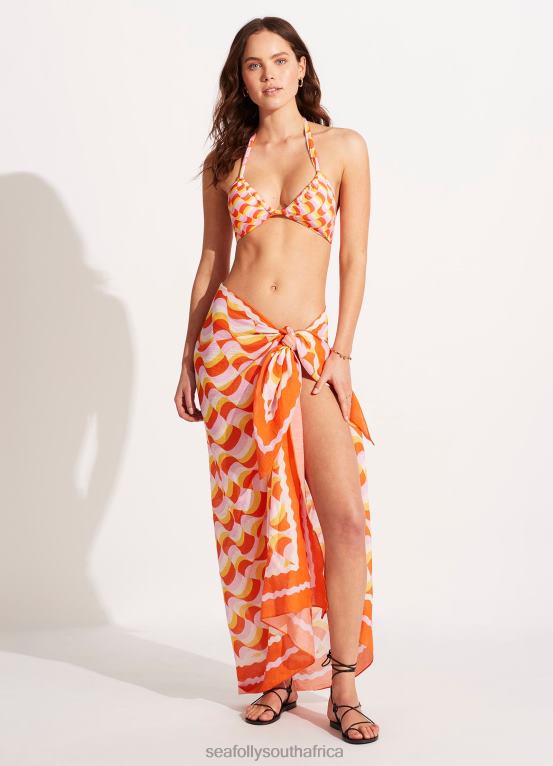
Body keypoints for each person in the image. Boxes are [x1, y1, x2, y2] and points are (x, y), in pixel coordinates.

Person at [174, 16, 379, 745]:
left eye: (280, 60)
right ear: (241, 78)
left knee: (342, 518)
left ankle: (342, 684)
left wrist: (341, 353)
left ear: (301, 67)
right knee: (259, 522)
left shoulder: (344, 147)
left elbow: (354, 259)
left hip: (307, 350)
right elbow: (211, 260)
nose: (268, 75)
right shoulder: (226, 160)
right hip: (232, 347)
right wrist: (187, 358)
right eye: (253, 65)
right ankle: (277, 672)